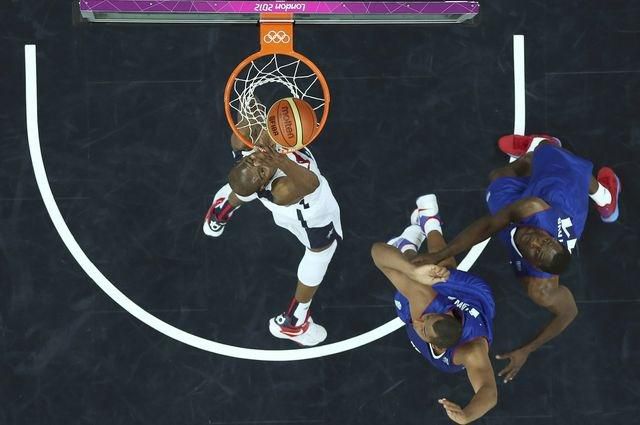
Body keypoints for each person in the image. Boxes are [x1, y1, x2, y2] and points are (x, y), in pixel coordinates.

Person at [412, 134, 621, 382]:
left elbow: (569, 312)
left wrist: (527, 349)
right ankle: (562, 164)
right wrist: (440, 254)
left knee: (522, 175)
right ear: (551, 236)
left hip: (556, 201)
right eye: (544, 240)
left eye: (536, 250)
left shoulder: (541, 288)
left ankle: (601, 195)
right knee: (547, 160)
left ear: (534, 264)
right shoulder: (534, 210)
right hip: (556, 196)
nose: (534, 240)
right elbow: (488, 226)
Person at [203, 114, 342, 347]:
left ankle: (222, 208)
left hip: (260, 186)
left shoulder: (245, 150)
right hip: (307, 214)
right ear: (264, 181)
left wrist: (256, 114)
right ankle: (294, 321)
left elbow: (248, 114)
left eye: (251, 161)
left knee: (246, 181)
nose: (259, 162)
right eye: (261, 171)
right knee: (322, 250)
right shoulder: (282, 190)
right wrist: (281, 161)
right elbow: (311, 184)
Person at [371, 194, 497, 425]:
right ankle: (429, 223)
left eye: (423, 326)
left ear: (437, 345)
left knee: (421, 280)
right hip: (475, 295)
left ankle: (410, 240)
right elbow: (377, 252)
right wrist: (410, 270)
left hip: (468, 317)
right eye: (427, 318)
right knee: (434, 271)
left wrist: (467, 415)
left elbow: (489, 392)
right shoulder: (426, 304)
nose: (419, 322)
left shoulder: (471, 352)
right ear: (446, 313)